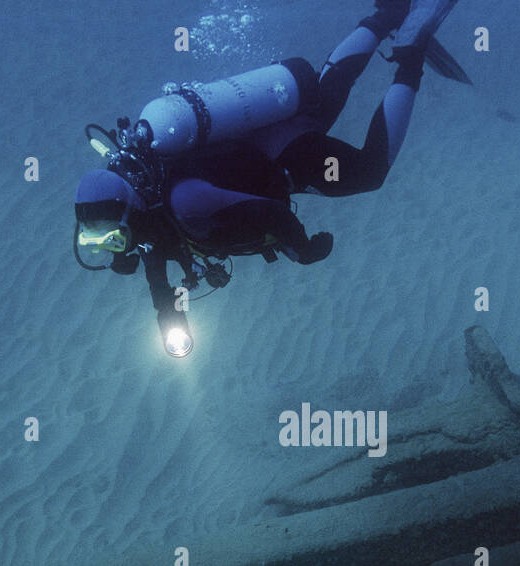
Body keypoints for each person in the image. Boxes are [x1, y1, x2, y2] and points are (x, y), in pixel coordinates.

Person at [73, 1, 461, 356]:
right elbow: (159, 282)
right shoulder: (152, 219)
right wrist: (171, 326)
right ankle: (386, 17)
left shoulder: (184, 202)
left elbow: (271, 212)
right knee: (323, 100)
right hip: (264, 137)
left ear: (129, 211)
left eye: (113, 237)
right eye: (102, 243)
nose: (114, 248)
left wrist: (301, 249)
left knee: (369, 172)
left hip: (289, 159)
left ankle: (410, 57)